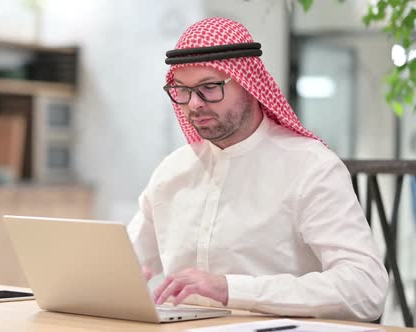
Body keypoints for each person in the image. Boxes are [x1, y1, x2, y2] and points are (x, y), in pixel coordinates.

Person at [127, 17, 388, 322]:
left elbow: (365, 288)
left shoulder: (310, 167)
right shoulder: (172, 171)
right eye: (182, 90)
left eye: (209, 88)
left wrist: (231, 289)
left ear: (250, 85)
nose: (194, 104)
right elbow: (127, 263)